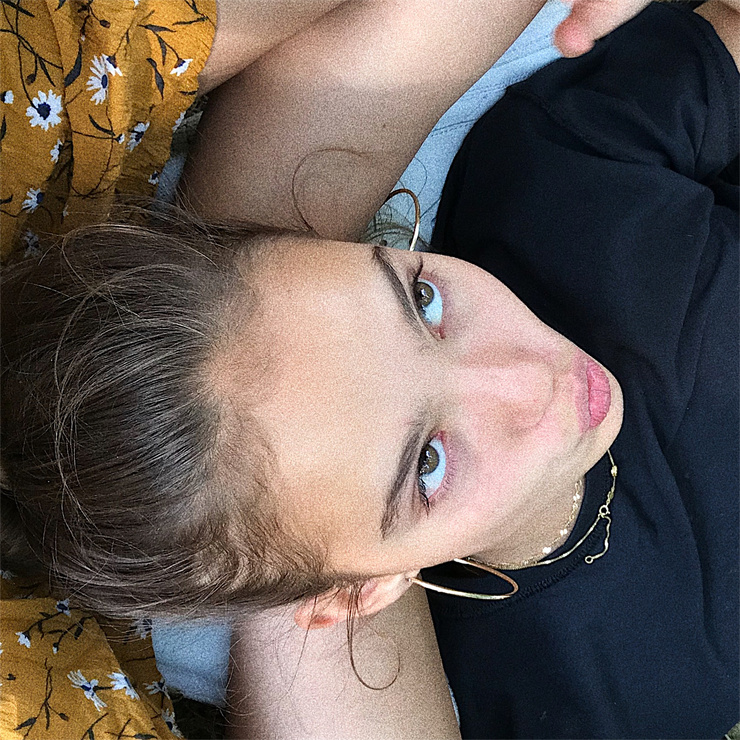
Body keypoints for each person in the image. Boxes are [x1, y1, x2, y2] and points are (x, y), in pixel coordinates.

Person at [1, 1, 736, 739]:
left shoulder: (566, 191)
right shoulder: (562, 710)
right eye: (428, 463)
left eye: (423, 301)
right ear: (357, 593)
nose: (528, 377)